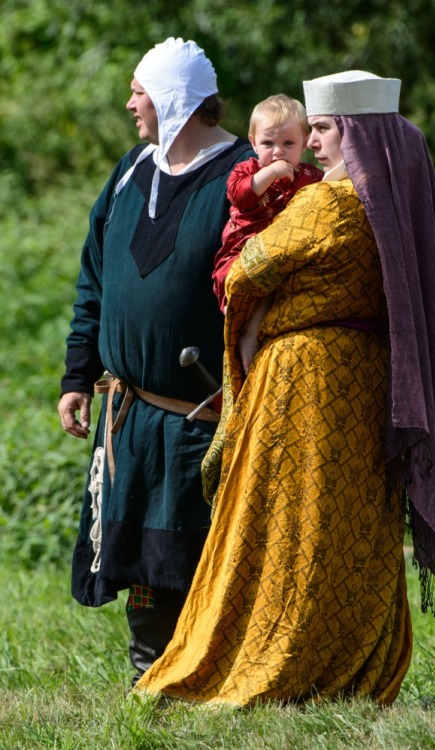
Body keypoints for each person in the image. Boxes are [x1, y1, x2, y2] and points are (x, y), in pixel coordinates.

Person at [135, 71, 435, 706]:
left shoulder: (327, 204)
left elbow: (246, 273)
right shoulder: (395, 208)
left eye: (322, 129)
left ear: (358, 134)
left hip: (306, 384)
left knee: (289, 526)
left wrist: (251, 306)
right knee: (355, 525)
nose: (313, 143)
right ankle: (354, 658)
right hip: (371, 383)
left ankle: (283, 654)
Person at [57, 36, 254, 686]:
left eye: (140, 90)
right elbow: (94, 279)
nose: (129, 102)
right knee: (142, 557)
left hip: (201, 416)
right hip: (129, 412)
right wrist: (78, 375)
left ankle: (209, 675)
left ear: (175, 99)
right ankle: (150, 671)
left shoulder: (241, 179)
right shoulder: (129, 172)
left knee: (194, 556)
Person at [213, 94, 322, 372]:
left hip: (283, 259)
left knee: (285, 282)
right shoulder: (247, 170)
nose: (278, 152)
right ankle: (241, 330)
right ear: (252, 142)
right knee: (238, 282)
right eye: (268, 143)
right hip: (243, 251)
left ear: (305, 143)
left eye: (288, 144)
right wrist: (271, 173)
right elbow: (239, 195)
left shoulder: (309, 177)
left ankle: (253, 335)